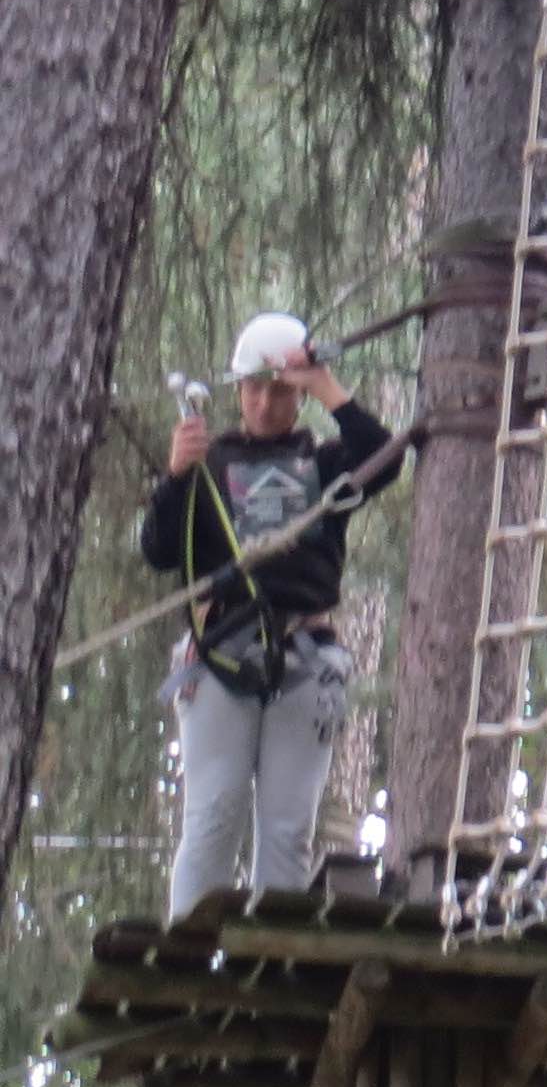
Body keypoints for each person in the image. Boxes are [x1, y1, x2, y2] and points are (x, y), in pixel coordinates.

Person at [140, 312, 399, 918]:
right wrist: (175, 476)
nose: (264, 403)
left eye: (280, 391)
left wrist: (325, 385)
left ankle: (268, 957)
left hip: (305, 659)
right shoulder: (207, 464)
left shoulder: (326, 465)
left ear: (298, 395)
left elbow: (385, 458)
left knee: (287, 829)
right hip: (222, 657)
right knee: (213, 816)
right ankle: (189, 953)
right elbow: (159, 549)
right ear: (238, 390)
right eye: (254, 389)